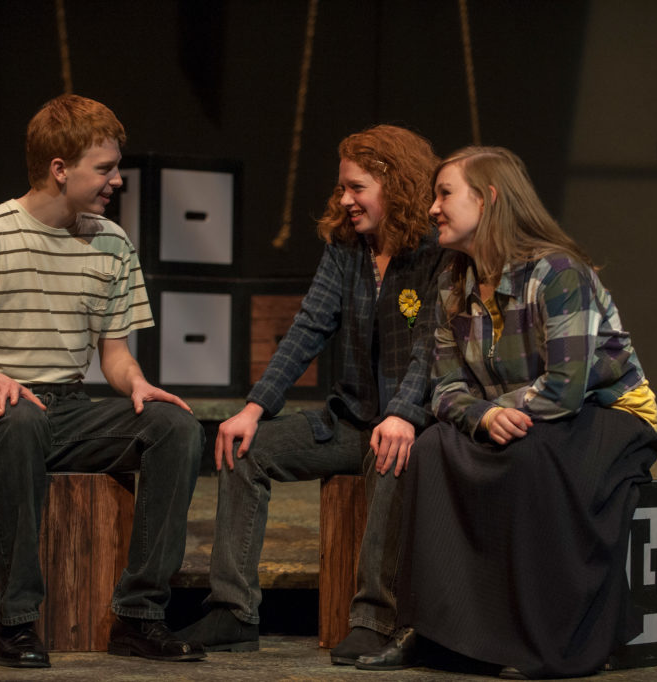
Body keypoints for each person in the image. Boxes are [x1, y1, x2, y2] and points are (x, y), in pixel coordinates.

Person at [0, 94, 206, 669]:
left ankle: (140, 614)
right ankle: (18, 621)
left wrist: (137, 384)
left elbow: (115, 355)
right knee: (21, 418)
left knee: (175, 426)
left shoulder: (112, 243)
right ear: (59, 169)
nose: (117, 181)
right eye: (104, 169)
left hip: (68, 408)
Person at [356, 146, 657, 677]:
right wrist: (479, 418)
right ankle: (434, 632)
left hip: (609, 413)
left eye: (444, 193)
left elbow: (566, 390)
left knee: (526, 453)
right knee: (431, 449)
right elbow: (444, 386)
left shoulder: (559, 274)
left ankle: (541, 640)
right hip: (518, 414)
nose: (433, 208)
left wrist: (489, 412)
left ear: (489, 198)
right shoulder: (454, 281)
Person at [178, 124, 452, 664]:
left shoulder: (434, 254)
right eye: (342, 188)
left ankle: (374, 618)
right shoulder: (347, 250)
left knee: (390, 453)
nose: (345, 200)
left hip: (406, 423)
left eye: (357, 188)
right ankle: (233, 610)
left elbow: (432, 347)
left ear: (395, 184)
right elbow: (307, 328)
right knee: (245, 449)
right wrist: (254, 409)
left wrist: (402, 414)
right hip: (347, 420)